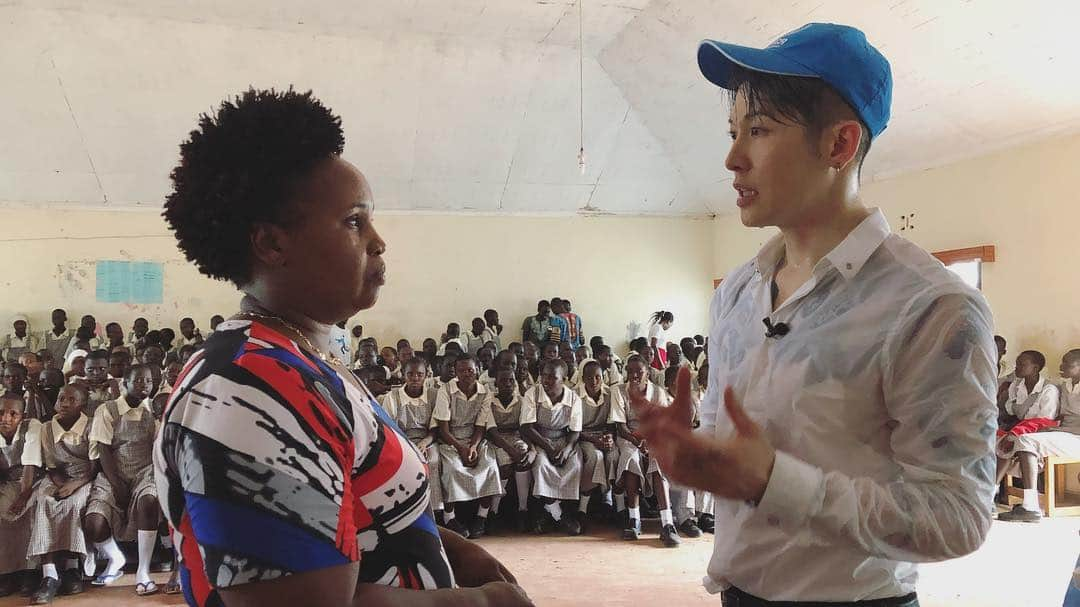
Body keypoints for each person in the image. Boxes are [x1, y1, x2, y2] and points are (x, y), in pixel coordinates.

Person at [631, 23, 996, 605]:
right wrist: (694, 453)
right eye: (732, 132)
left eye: (758, 131)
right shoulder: (738, 294)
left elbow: (958, 515)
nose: (732, 158)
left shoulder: (930, 306)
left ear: (839, 145)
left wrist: (773, 482)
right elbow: (733, 443)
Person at [157, 88, 530, 606]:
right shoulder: (252, 386)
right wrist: (483, 603)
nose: (378, 241)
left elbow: (343, 512)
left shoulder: (301, 360)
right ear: (272, 244)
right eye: (354, 222)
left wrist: (450, 548)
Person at [84, 364, 161, 594]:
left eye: (148, 381)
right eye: (138, 381)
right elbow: (103, 450)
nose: (144, 385)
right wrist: (116, 484)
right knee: (94, 523)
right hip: (112, 472)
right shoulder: (107, 410)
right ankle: (115, 558)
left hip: (144, 470)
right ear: (123, 384)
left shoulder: (152, 412)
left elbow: (156, 447)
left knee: (149, 501)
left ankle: (143, 571)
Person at [27, 384, 96, 605]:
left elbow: (96, 466)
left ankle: (72, 567)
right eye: (60, 398)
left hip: (86, 476)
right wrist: (60, 485)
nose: (64, 403)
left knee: (75, 504)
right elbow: (52, 466)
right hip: (59, 476)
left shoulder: (91, 425)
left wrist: (75, 485)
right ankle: (49, 573)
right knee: (45, 501)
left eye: (71, 400)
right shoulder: (47, 428)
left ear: (82, 404)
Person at [995, 350, 1075, 522]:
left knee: (1023, 438)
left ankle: (1030, 507)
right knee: (1017, 438)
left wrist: (1055, 428)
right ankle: (1023, 502)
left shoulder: (1050, 388)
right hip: (1062, 433)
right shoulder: (1067, 386)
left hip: (1074, 436)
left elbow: (1049, 418)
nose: (1061, 366)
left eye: (1067, 363)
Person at [611, 355, 680, 547]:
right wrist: (637, 441)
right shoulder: (619, 391)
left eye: (639, 372)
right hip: (628, 437)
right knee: (630, 458)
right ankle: (634, 519)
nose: (634, 375)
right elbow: (621, 427)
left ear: (647, 372)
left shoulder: (657, 393)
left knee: (657, 459)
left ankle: (667, 524)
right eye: (630, 371)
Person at [433, 356, 503, 540]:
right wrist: (461, 448)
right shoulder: (445, 390)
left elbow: (481, 425)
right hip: (451, 439)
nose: (466, 374)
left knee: (489, 465)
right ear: (455, 372)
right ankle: (450, 518)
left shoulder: (485, 392)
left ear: (477, 370)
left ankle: (482, 517)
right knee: (452, 469)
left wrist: (472, 447)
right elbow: (443, 429)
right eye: (462, 371)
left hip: (475, 438)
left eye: (470, 370)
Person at [520, 359, 584, 536]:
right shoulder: (532, 394)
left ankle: (554, 511)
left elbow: (575, 431)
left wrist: (567, 448)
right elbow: (527, 427)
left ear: (563, 379)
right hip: (538, 439)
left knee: (574, 465)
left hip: (564, 440)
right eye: (544, 376)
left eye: (552, 377)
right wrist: (547, 446)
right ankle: (558, 514)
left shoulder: (574, 398)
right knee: (541, 464)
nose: (546, 381)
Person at [380, 358, 444, 521]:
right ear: (403, 375)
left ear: (426, 376)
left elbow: (435, 429)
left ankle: (435, 511)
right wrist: (407, 445)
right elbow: (389, 428)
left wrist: (423, 443)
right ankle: (408, 512)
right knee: (403, 463)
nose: (415, 378)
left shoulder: (433, 395)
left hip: (427, 440)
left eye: (420, 374)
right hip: (400, 440)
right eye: (410, 374)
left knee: (433, 460)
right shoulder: (393, 397)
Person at [0, 392, 41, 597]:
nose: (5, 418)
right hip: (8, 480)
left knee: (30, 511)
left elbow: (30, 464)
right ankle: (7, 572)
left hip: (34, 480)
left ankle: (30, 572)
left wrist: (23, 496)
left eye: (12, 414)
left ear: (22, 416)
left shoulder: (31, 427)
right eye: (0, 413)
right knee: (2, 512)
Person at [486, 368, 535, 533]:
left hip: (515, 437)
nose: (508, 384)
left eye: (511, 381)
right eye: (503, 381)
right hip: (496, 441)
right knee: (504, 463)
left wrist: (529, 449)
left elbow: (524, 428)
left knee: (523, 457)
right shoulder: (489, 401)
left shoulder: (521, 401)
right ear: (496, 384)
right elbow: (492, 431)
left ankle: (523, 509)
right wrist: (510, 450)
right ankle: (494, 511)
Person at [574, 360, 617, 531]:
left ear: (603, 377)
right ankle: (582, 509)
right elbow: (573, 428)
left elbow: (612, 424)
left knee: (613, 454)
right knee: (595, 456)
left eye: (598, 377)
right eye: (590, 378)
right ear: (583, 378)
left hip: (602, 434)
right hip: (582, 436)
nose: (594, 381)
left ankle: (611, 501)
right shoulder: (575, 395)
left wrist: (609, 437)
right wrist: (595, 441)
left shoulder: (609, 394)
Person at [72, 350, 121, 416]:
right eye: (90, 370)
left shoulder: (120, 384)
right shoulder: (77, 384)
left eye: (102, 369)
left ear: (109, 368)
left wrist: (114, 388)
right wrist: (78, 389)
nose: (96, 373)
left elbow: (118, 413)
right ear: (84, 368)